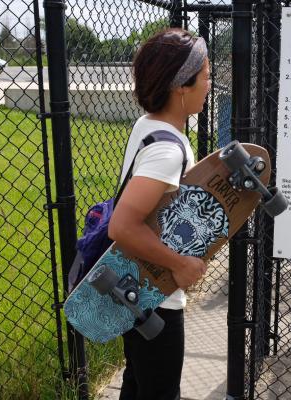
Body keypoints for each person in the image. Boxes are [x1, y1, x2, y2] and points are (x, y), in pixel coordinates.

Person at [107, 28, 211, 400]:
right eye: (206, 76)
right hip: (156, 298)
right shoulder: (168, 151)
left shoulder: (149, 124)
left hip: (134, 287)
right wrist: (180, 264)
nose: (209, 85)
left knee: (137, 383)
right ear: (181, 85)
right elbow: (123, 225)